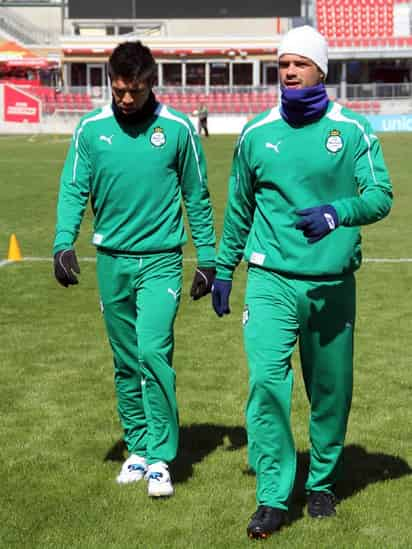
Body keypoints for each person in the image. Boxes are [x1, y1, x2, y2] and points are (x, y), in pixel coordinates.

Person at [211, 25, 392, 539]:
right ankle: (272, 496)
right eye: (283, 64)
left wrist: (338, 212)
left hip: (332, 284)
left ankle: (322, 485)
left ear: (320, 70)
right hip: (270, 279)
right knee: (266, 382)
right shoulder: (256, 133)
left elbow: (381, 195)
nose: (289, 71)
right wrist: (225, 269)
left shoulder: (352, 130)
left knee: (330, 391)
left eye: (299, 63)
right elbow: (240, 207)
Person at [53, 41, 216, 498]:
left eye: (137, 91)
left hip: (162, 260)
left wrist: (208, 258)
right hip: (112, 261)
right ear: (111, 82)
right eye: (120, 90)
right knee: (125, 361)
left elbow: (197, 198)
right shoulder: (90, 131)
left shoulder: (179, 129)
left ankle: (162, 458)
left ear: (152, 84)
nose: (127, 99)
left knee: (152, 351)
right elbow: (72, 190)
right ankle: (138, 448)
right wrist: (63, 244)